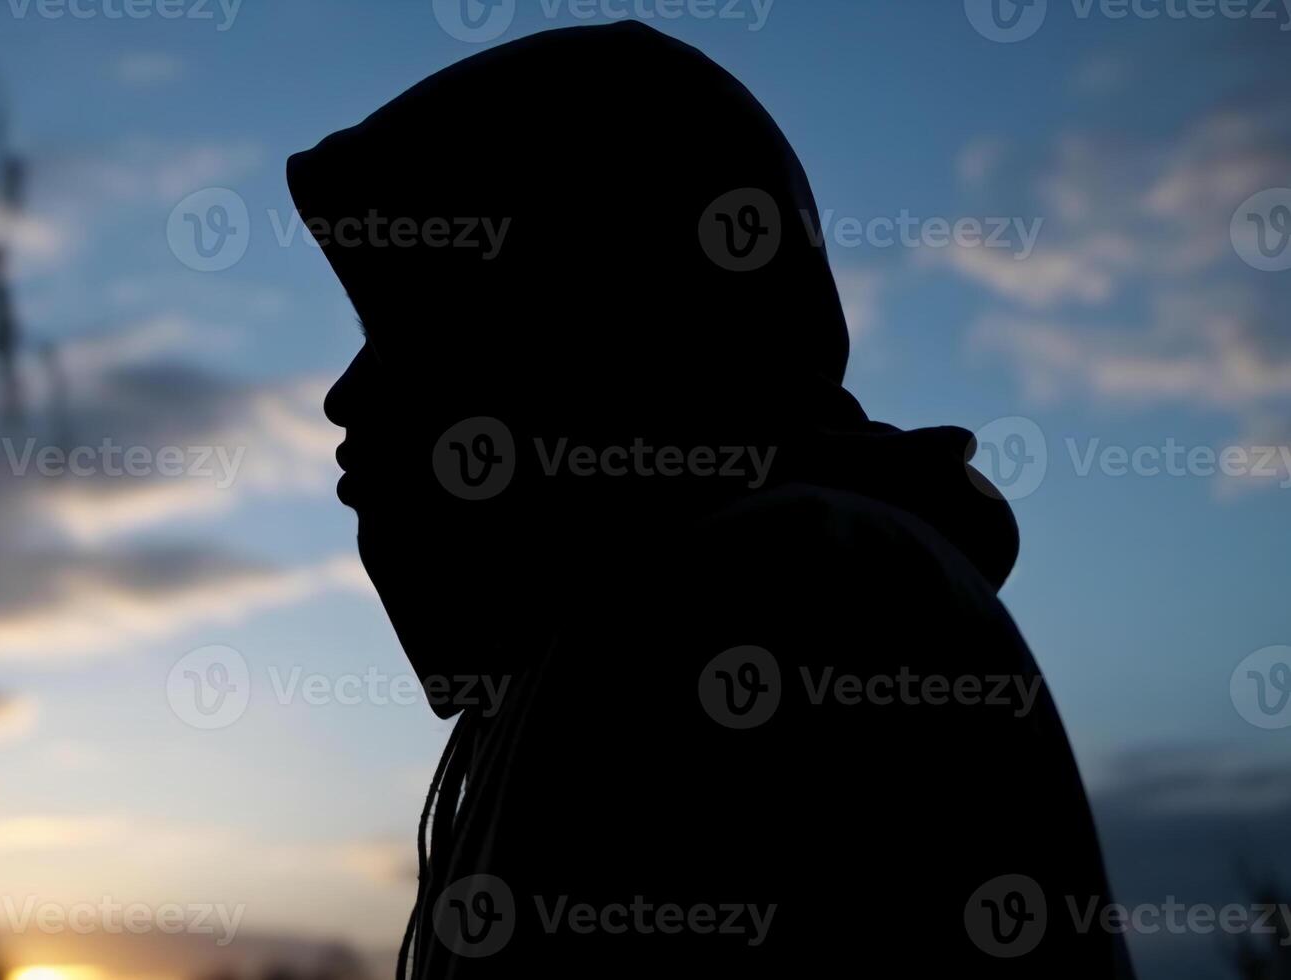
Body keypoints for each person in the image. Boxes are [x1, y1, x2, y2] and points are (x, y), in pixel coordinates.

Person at [290, 21, 1135, 978]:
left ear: (571, 311)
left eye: (402, 323)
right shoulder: (647, 611)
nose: (343, 396)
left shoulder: (781, 585)